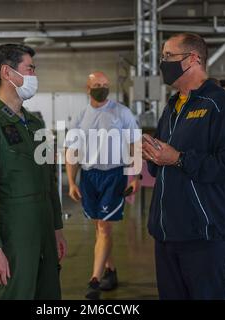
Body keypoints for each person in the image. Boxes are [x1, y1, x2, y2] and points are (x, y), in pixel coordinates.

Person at [142, 33, 225, 300]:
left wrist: (179, 158)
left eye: (168, 56)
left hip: (205, 237)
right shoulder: (172, 106)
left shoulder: (220, 104)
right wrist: (150, 154)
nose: (163, 63)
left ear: (192, 59)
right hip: (167, 234)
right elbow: (162, 163)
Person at [0, 44, 67, 299]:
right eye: (29, 69)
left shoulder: (35, 124)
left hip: (44, 231)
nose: (34, 76)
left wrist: (56, 228)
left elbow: (49, 180)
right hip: (14, 237)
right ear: (7, 73)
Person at [65, 71, 140, 300]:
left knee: (105, 228)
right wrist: (71, 182)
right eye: (97, 84)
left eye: (105, 84)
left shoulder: (122, 113)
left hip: (113, 176)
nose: (102, 88)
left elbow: (134, 145)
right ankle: (111, 270)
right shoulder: (80, 116)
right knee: (100, 227)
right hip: (89, 177)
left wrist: (134, 176)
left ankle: (94, 281)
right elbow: (72, 151)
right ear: (88, 89)